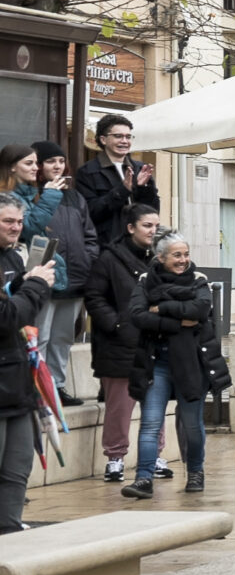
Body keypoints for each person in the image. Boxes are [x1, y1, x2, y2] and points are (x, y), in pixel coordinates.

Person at [124, 231, 225, 497]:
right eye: (176, 255)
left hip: (192, 363)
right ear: (161, 257)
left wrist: (162, 308)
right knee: (150, 423)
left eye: (186, 254)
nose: (183, 260)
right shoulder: (146, 281)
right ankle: (143, 479)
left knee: (192, 424)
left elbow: (201, 311)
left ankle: (195, 473)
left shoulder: (199, 280)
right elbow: (137, 316)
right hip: (156, 363)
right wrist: (178, 322)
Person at [84, 203, 156, 484]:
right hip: (118, 346)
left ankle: (154, 457)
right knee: (119, 408)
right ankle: (115, 459)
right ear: (130, 228)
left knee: (155, 406)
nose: (153, 231)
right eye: (147, 225)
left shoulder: (158, 258)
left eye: (155, 225)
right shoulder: (108, 259)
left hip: (153, 344)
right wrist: (116, 324)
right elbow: (94, 297)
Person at [0, 195, 60, 529]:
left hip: (17, 381)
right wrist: (35, 285)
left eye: (19, 222)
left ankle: (9, 537)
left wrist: (24, 283)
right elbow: (7, 317)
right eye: (8, 221)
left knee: (17, 469)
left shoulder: (11, 255)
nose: (16, 227)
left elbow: (14, 303)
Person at [29, 143, 90, 403]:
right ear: (39, 166)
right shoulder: (32, 197)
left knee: (63, 338)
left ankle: (56, 387)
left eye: (61, 161)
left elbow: (90, 236)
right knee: (40, 337)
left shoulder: (75, 197)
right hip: (46, 277)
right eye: (50, 161)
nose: (58, 166)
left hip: (75, 279)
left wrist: (89, 260)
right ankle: (37, 389)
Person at [74, 115, 159, 244]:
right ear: (103, 139)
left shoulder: (140, 168)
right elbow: (90, 212)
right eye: (118, 136)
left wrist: (143, 189)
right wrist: (122, 190)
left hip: (139, 245)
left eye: (128, 137)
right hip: (107, 246)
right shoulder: (87, 171)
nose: (124, 141)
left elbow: (153, 210)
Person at [3, 144, 66, 248]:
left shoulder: (28, 194)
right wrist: (50, 195)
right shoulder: (5, 197)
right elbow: (27, 229)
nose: (36, 168)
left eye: (36, 163)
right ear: (12, 167)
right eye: (28, 164)